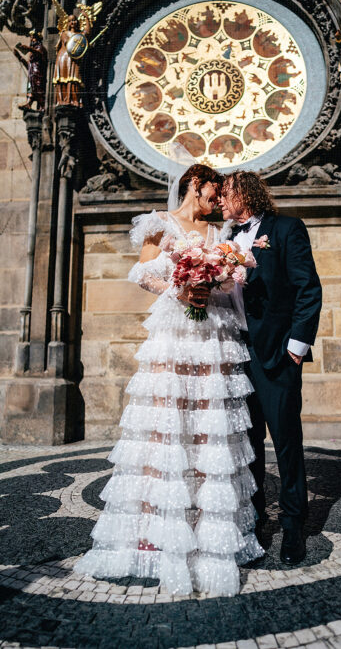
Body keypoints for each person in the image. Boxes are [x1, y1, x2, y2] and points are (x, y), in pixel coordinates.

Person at [74, 163, 264, 596]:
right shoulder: (159, 224)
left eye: (220, 197)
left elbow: (228, 280)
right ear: (195, 186)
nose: (218, 202)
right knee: (165, 425)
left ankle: (205, 530)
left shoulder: (220, 236)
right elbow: (142, 274)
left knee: (206, 429)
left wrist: (212, 281)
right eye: (214, 193)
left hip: (211, 335)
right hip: (174, 332)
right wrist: (178, 289)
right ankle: (154, 535)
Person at [219, 170, 322, 564]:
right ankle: (256, 520)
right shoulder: (226, 241)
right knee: (248, 446)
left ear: (245, 194)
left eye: (226, 195)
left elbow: (307, 288)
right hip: (236, 355)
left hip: (277, 354)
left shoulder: (285, 229)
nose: (221, 203)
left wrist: (296, 347)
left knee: (285, 441)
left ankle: (294, 523)